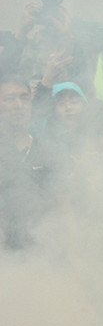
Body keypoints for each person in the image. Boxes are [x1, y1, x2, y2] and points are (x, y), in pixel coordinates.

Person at [0, 76, 54, 249]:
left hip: (39, 254)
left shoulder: (47, 152)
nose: (18, 105)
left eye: (24, 98)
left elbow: (62, 206)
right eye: (9, 99)